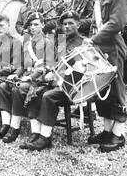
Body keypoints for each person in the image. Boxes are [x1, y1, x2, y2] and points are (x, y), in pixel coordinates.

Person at [22, 10, 84, 151]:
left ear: (78, 25)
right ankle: (36, 132)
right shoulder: (60, 41)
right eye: (64, 24)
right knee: (35, 90)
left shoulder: (83, 43)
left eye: (71, 23)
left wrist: (57, 76)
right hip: (58, 82)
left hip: (74, 85)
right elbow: (53, 62)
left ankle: (45, 137)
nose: (67, 27)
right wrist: (50, 71)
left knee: (48, 96)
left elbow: (82, 70)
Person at [85, 0, 127, 152]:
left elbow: (116, 24)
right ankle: (106, 131)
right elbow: (97, 22)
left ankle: (118, 135)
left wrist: (93, 39)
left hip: (113, 46)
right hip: (102, 48)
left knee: (117, 89)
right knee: (103, 88)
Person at [0, 12, 54, 143]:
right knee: (3, 86)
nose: (32, 27)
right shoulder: (27, 42)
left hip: (41, 79)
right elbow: (22, 65)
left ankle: (16, 127)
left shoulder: (48, 42)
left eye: (36, 24)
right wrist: (16, 74)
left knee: (19, 89)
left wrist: (31, 77)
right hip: (25, 76)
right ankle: (7, 123)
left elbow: (47, 65)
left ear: (43, 25)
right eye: (30, 25)